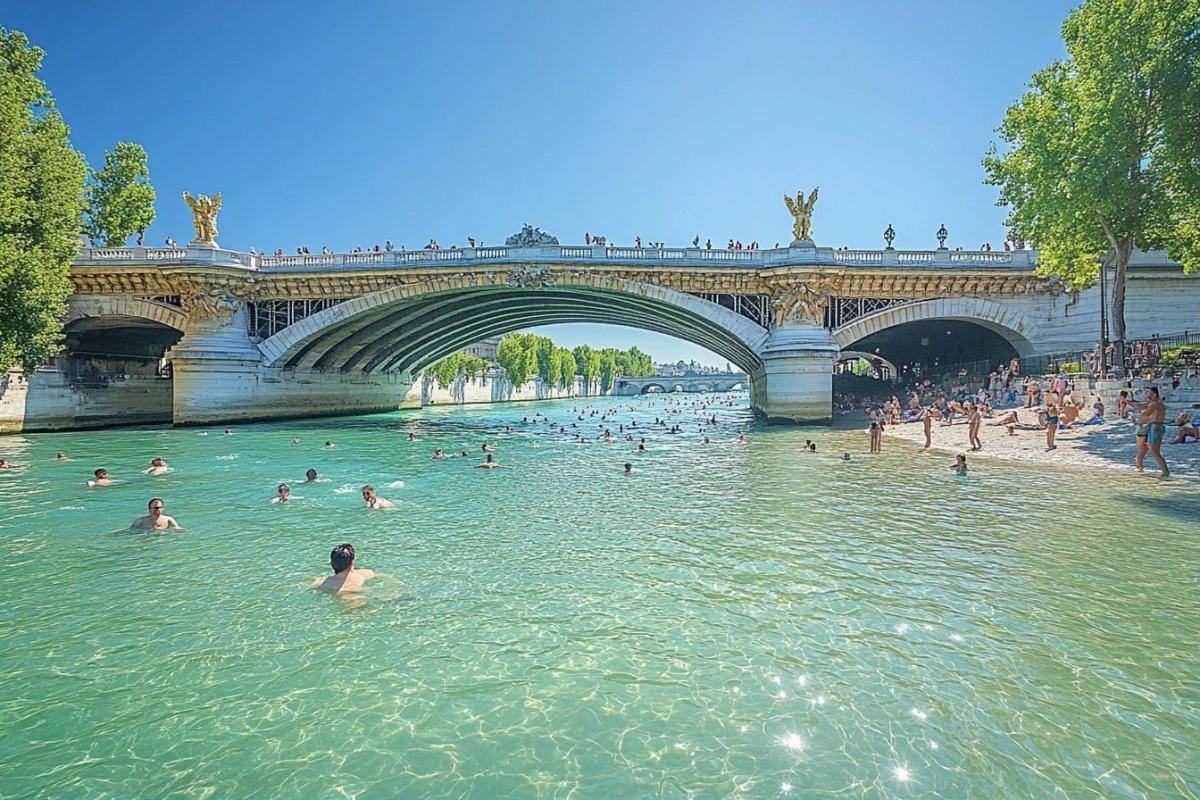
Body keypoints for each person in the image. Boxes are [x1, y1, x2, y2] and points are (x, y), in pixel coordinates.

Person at [1129, 386, 1169, 476]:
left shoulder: (1155, 404)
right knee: (1147, 449)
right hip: (1152, 427)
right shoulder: (1153, 404)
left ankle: (1166, 473)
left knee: (1155, 451)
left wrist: (1138, 409)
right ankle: (1140, 467)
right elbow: (1142, 407)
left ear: (1154, 394)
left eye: (1149, 393)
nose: (1147, 395)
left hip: (1155, 427)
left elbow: (1145, 413)